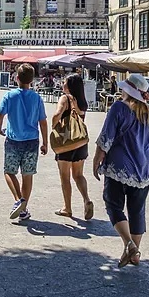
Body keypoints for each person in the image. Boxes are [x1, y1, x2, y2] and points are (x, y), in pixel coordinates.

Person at [93, 74, 149, 268]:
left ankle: (129, 244)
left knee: (113, 204)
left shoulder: (118, 108)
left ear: (128, 91)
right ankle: (135, 255)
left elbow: (106, 137)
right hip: (144, 169)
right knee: (137, 211)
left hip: (120, 167)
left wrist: (96, 159)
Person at [0, 63, 48, 222]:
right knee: (28, 175)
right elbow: (43, 121)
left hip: (13, 140)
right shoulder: (37, 98)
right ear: (32, 80)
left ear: (16, 78)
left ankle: (19, 200)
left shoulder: (10, 96)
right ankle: (23, 208)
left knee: (9, 172)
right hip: (32, 141)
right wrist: (45, 142)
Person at [52, 73, 94, 220]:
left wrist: (54, 124)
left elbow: (57, 115)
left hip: (66, 142)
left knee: (65, 177)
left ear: (69, 85)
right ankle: (86, 199)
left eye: (64, 82)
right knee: (78, 175)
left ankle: (67, 208)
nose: (62, 84)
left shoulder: (65, 98)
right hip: (80, 142)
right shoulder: (82, 101)